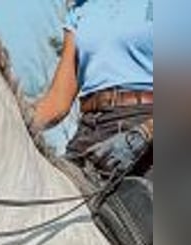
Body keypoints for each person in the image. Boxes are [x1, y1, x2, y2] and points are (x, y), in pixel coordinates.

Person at [33, 0, 154, 184]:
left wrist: (144, 133)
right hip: (89, 132)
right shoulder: (81, 10)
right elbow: (57, 103)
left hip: (147, 132)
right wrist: (9, 118)